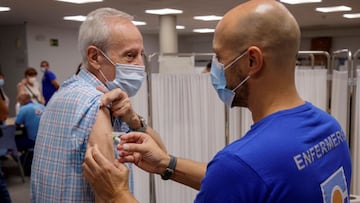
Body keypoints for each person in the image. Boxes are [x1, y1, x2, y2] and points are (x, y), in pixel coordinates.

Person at [82, 1, 352, 202]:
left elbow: (241, 178)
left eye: (219, 57)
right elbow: (253, 184)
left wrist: (117, 194)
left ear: (252, 61)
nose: (215, 69)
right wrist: (166, 164)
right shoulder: (330, 128)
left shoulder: (242, 162)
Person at [31, 7, 166, 202]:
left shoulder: (65, 93)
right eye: (130, 55)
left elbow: (163, 159)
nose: (139, 64)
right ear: (95, 57)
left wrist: (134, 120)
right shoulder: (97, 105)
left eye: (141, 55)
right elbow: (109, 195)